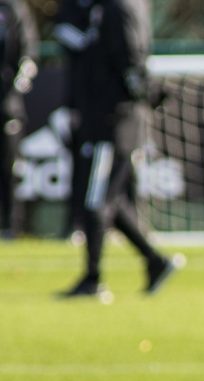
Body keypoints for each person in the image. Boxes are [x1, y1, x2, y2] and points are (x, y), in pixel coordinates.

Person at [55, 0, 177, 298]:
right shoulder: (105, 8)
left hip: (114, 121)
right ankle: (155, 261)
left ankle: (93, 278)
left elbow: (131, 60)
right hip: (108, 118)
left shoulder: (118, 8)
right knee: (111, 201)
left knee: (95, 200)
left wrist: (148, 93)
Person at [0, 0, 37, 239]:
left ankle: (10, 225)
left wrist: (21, 76)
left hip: (6, 104)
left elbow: (29, 50)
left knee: (9, 166)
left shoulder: (14, 9)